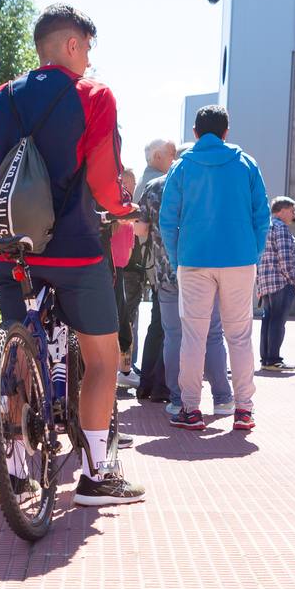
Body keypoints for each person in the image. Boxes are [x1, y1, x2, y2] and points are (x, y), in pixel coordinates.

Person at [0, 4, 146, 505]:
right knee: (103, 360)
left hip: (13, 252)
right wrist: (124, 211)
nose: (88, 57)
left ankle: (18, 467)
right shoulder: (94, 96)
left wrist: (19, 217)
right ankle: (95, 474)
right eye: (86, 46)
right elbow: (105, 184)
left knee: (17, 359)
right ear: (70, 45)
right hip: (77, 253)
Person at [160, 105, 271, 432]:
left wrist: (176, 259)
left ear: (195, 132)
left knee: (193, 336)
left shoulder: (182, 166)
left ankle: (191, 410)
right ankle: (244, 410)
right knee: (239, 335)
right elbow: (261, 217)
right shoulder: (246, 164)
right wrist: (253, 253)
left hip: (194, 259)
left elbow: (168, 221)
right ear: (226, 132)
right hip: (239, 259)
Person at [139, 144, 233, 417]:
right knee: (212, 334)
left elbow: (141, 230)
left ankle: (178, 398)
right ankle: (223, 397)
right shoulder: (207, 186)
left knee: (174, 336)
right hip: (205, 270)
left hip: (167, 272)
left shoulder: (155, 186)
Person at [135, 139, 181, 401]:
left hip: (158, 267)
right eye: (169, 153)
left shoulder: (149, 184)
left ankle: (149, 383)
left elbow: (139, 228)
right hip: (176, 267)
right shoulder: (163, 182)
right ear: (157, 156)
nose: (172, 157)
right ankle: (164, 386)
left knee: (160, 326)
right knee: (172, 330)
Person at [106, 168, 145, 390]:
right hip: (113, 268)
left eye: (130, 186)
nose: (128, 190)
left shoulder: (125, 206)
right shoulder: (117, 206)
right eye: (124, 185)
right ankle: (123, 370)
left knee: (123, 321)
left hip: (120, 267)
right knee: (120, 321)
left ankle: (124, 370)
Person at [257, 196, 295, 371]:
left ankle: (267, 360)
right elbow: (284, 258)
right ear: (282, 211)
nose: (294, 214)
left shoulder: (265, 227)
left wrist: (259, 284)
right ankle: (274, 360)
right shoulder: (281, 227)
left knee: (268, 320)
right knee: (277, 321)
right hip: (281, 283)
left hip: (267, 283)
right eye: (292, 210)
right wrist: (292, 280)